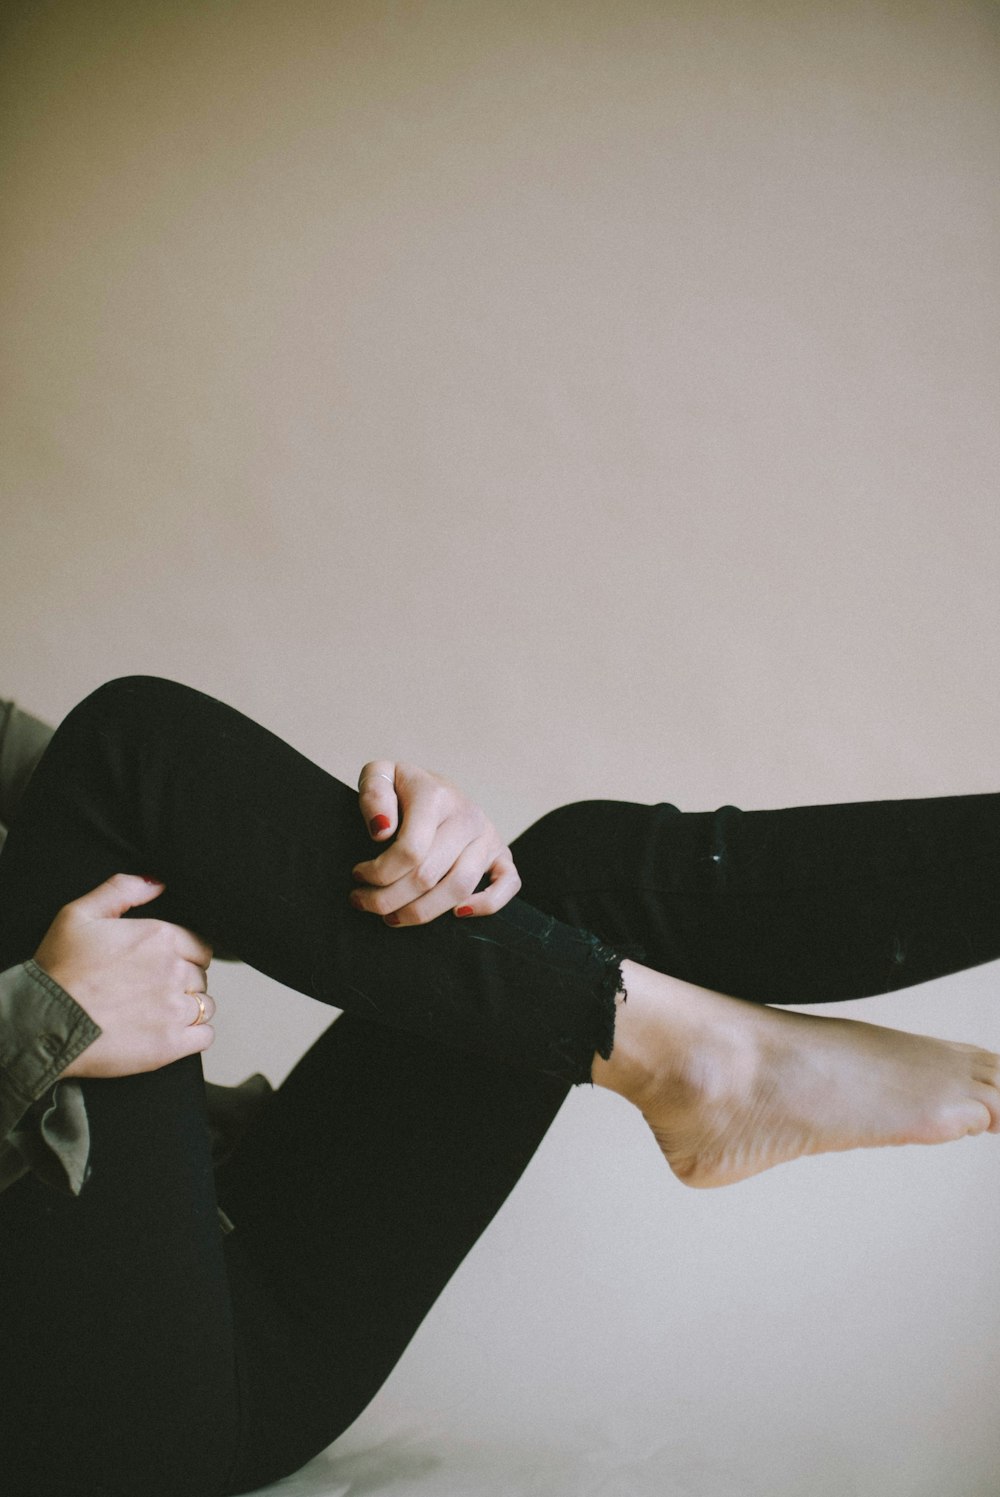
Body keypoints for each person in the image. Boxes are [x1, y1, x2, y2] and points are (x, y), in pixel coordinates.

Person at [1, 676, 997, 1497]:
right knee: (130, 737)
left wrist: (419, 853)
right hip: (82, 1420)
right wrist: (36, 1022)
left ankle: (684, 1054)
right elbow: (131, 779)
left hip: (239, 1301)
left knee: (563, 874)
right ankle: (692, 1062)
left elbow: (175, 819)